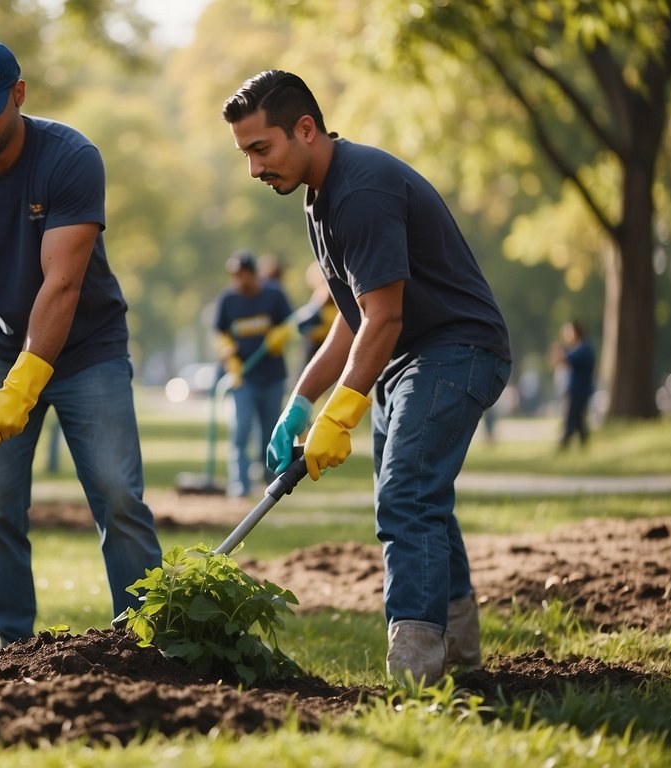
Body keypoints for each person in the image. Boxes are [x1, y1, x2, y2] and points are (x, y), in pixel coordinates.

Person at [222, 70, 512, 682]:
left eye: (260, 149)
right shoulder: (318, 199)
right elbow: (353, 320)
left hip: (457, 350)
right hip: (410, 359)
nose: (253, 169)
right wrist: (299, 404)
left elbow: (385, 317)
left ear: (305, 129)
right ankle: (459, 658)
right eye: (245, 153)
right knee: (420, 496)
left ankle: (416, 673)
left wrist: (340, 413)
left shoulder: (362, 190)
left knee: (405, 495)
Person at [0, 38, 163, 645]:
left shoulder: (70, 159)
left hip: (89, 347)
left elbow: (63, 283)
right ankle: (11, 646)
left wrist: (23, 386)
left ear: (18, 95)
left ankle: (152, 641)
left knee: (118, 497)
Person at [212, 249, 294, 497]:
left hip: (272, 377)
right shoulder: (228, 300)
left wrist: (280, 337)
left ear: (253, 274)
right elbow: (221, 332)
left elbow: (290, 324)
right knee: (241, 429)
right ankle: (240, 484)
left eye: (243, 274)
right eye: (235, 275)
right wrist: (228, 354)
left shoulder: (274, 295)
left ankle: (271, 480)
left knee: (269, 431)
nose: (239, 280)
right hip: (244, 378)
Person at [554, 320, 595, 449]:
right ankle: (584, 445)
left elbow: (563, 359)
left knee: (571, 420)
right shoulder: (584, 348)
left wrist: (558, 350)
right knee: (578, 421)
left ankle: (563, 446)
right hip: (580, 390)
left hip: (578, 391)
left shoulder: (583, 348)